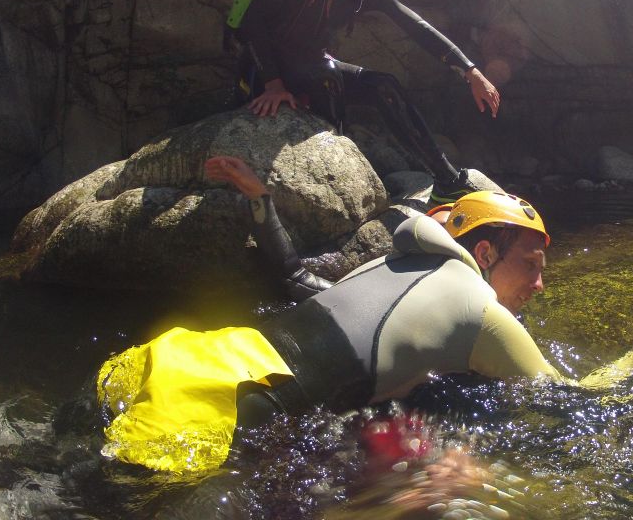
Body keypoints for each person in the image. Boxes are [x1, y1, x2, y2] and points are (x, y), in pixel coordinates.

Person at [95, 156, 561, 472]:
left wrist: (261, 199)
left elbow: (296, 276)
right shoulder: (479, 309)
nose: (538, 286)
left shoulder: (391, 263)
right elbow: (572, 399)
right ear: (484, 252)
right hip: (233, 409)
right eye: (530, 267)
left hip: (188, 354)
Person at [231, 0, 499, 203]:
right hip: (263, 69)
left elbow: (416, 25)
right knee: (327, 76)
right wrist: (273, 83)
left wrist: (470, 70)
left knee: (384, 85)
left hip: (311, 69)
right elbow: (252, 21)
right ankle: (332, 168)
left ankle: (448, 181)